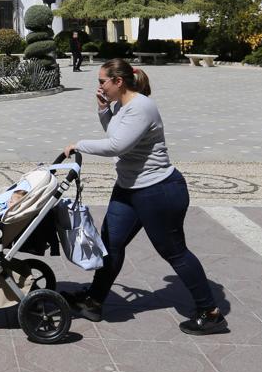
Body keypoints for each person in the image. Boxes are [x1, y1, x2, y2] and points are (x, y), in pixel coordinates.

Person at [60, 59, 227, 335]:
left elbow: (117, 146)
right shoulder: (124, 107)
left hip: (158, 190)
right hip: (129, 188)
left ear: (118, 82)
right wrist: (104, 111)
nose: (99, 86)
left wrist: (78, 144)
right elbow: (116, 133)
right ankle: (94, 301)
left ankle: (211, 313)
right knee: (111, 244)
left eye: (102, 81)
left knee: (174, 251)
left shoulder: (142, 107)